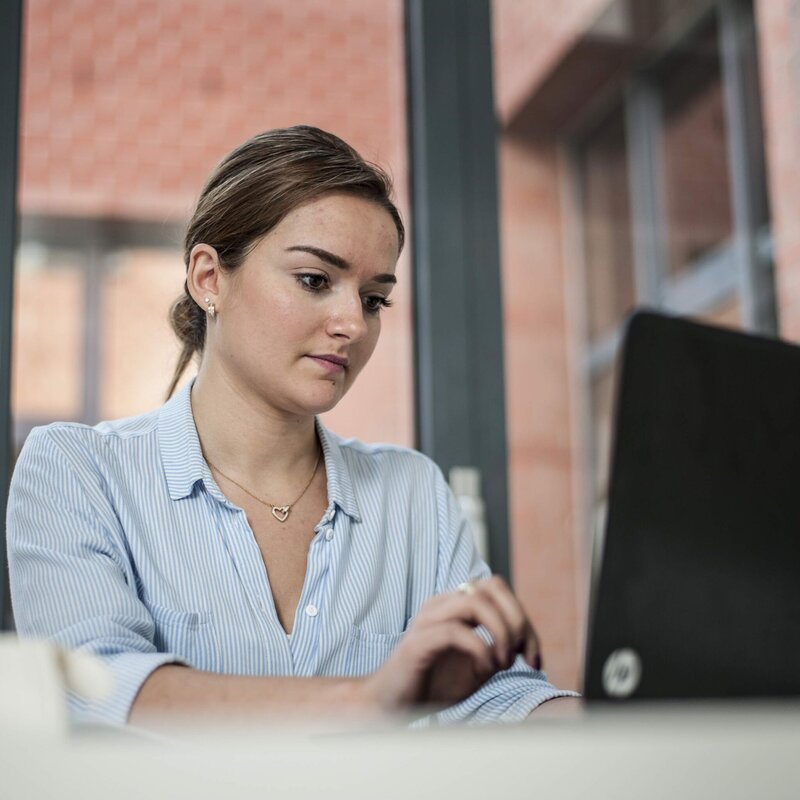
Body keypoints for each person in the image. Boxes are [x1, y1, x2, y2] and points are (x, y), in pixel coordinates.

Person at [7, 125, 575, 728]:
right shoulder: (78, 472)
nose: (352, 324)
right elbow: (94, 692)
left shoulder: (412, 494)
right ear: (208, 278)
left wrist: (651, 719)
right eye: (314, 280)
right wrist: (368, 700)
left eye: (374, 299)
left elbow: (497, 699)